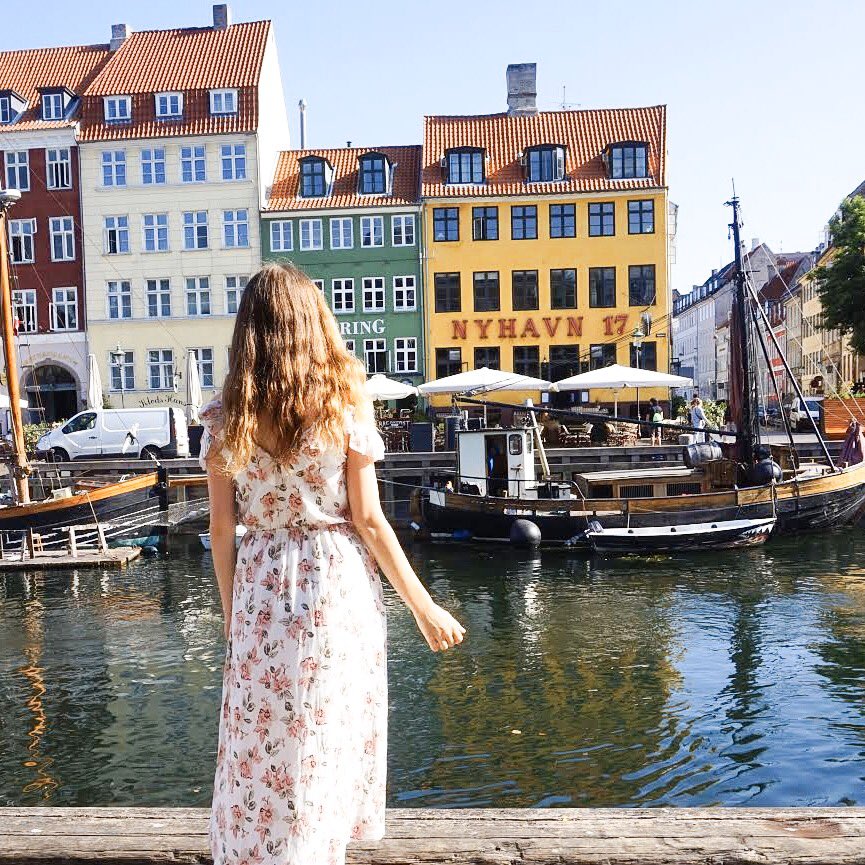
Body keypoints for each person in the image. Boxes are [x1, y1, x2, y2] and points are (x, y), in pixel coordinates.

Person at [201, 263, 465, 865]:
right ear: (313, 325)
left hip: (260, 583)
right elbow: (371, 522)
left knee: (262, 730)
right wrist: (424, 608)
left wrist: (230, 610)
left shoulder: (224, 417)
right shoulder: (344, 408)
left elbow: (222, 528)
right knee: (325, 721)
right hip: (331, 582)